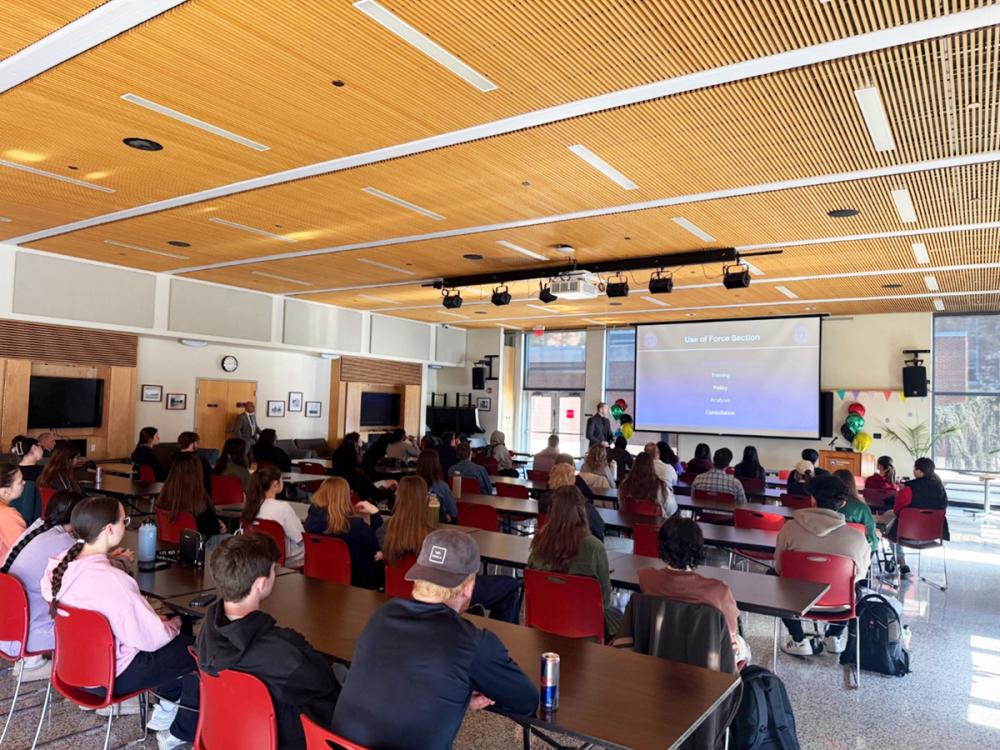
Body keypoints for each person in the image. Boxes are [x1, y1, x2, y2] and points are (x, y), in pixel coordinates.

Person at [333, 529, 537, 748]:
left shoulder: (382, 615)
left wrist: (457, 695)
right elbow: (526, 701)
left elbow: (397, 687)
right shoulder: (473, 645)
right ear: (468, 588)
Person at [41, 496, 199, 749]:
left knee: (168, 643)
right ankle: (181, 731)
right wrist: (174, 624)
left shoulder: (59, 567)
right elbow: (151, 639)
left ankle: (168, 703)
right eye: (124, 520)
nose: (126, 525)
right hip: (111, 678)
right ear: (109, 530)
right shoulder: (112, 580)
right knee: (197, 650)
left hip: (73, 671)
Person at [195, 534, 341, 750]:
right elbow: (326, 685)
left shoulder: (205, 631)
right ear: (261, 584)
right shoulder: (283, 651)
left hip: (231, 735)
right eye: (274, 571)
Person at [379, 477, 521, 623]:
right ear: (424, 500)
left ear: (398, 497)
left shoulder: (385, 531)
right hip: (445, 594)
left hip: (404, 597)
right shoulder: (433, 538)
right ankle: (504, 635)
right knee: (510, 586)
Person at [775, 475, 871, 657]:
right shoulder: (857, 538)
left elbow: (779, 568)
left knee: (773, 578)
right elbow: (860, 575)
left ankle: (798, 639)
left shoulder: (789, 529)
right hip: (840, 604)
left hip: (794, 601)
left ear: (812, 499)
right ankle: (834, 636)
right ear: (842, 503)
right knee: (857, 588)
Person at [637, 516, 750, 666]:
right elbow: (730, 633)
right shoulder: (719, 591)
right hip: (707, 660)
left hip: (661, 651)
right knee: (745, 648)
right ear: (698, 549)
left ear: (662, 547)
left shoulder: (646, 578)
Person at [0, 491, 84, 680]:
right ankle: (85, 684)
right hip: (25, 636)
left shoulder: (36, 529)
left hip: (7, 628)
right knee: (92, 625)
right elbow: (92, 569)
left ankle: (31, 663)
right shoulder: (64, 541)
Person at [528, 486, 621, 636]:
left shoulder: (539, 542)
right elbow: (604, 601)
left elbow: (531, 584)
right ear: (582, 511)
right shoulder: (595, 548)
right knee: (621, 618)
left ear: (552, 511)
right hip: (585, 630)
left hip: (544, 626)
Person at [304, 477, 384, 589]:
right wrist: (375, 514)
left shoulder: (310, 522)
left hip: (321, 579)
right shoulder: (357, 527)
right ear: (345, 497)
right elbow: (378, 547)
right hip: (358, 583)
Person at [881, 457, 949, 576]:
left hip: (906, 535)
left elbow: (897, 511)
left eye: (914, 468)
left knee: (889, 526)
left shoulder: (909, 488)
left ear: (919, 471)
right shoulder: (940, 489)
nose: (913, 471)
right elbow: (943, 508)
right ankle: (898, 559)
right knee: (895, 522)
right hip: (933, 536)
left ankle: (901, 562)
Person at [242, 467, 305, 568]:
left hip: (258, 554)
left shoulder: (251, 506)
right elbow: (300, 537)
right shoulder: (283, 507)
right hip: (283, 555)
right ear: (275, 484)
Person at [157, 453, 226, 541]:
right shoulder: (200, 502)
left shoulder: (164, 497)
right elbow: (213, 529)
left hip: (171, 543)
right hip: (200, 546)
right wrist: (217, 524)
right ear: (198, 474)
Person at [539, 463, 605, 540]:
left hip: (551, 541)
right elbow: (600, 526)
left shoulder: (543, 499)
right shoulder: (578, 502)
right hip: (577, 543)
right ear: (572, 480)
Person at [330, 439, 394, 507]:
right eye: (360, 451)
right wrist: (391, 489)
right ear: (353, 456)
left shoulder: (333, 475)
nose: (362, 453)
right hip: (360, 509)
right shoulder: (357, 478)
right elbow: (379, 496)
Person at [833, 469, 878, 551]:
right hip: (854, 553)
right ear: (852, 484)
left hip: (828, 551)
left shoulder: (822, 505)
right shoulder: (861, 508)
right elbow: (872, 542)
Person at [619, 452, 676, 516]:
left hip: (629, 523)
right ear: (652, 466)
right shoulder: (660, 487)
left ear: (634, 465)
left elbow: (621, 504)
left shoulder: (625, 485)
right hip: (655, 524)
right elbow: (671, 509)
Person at [415, 449, 458, 522]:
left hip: (414, 524)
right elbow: (453, 512)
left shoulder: (410, 486)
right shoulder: (442, 487)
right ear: (437, 466)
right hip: (436, 524)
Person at [0, 464, 28, 562]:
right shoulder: (8, 515)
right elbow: (26, 550)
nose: (24, 483)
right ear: (5, 492)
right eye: (20, 482)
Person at [174, 432, 213, 496]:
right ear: (192, 444)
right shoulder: (200, 461)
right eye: (197, 443)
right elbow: (210, 478)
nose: (198, 445)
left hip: (176, 494)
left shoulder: (173, 459)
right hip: (197, 496)